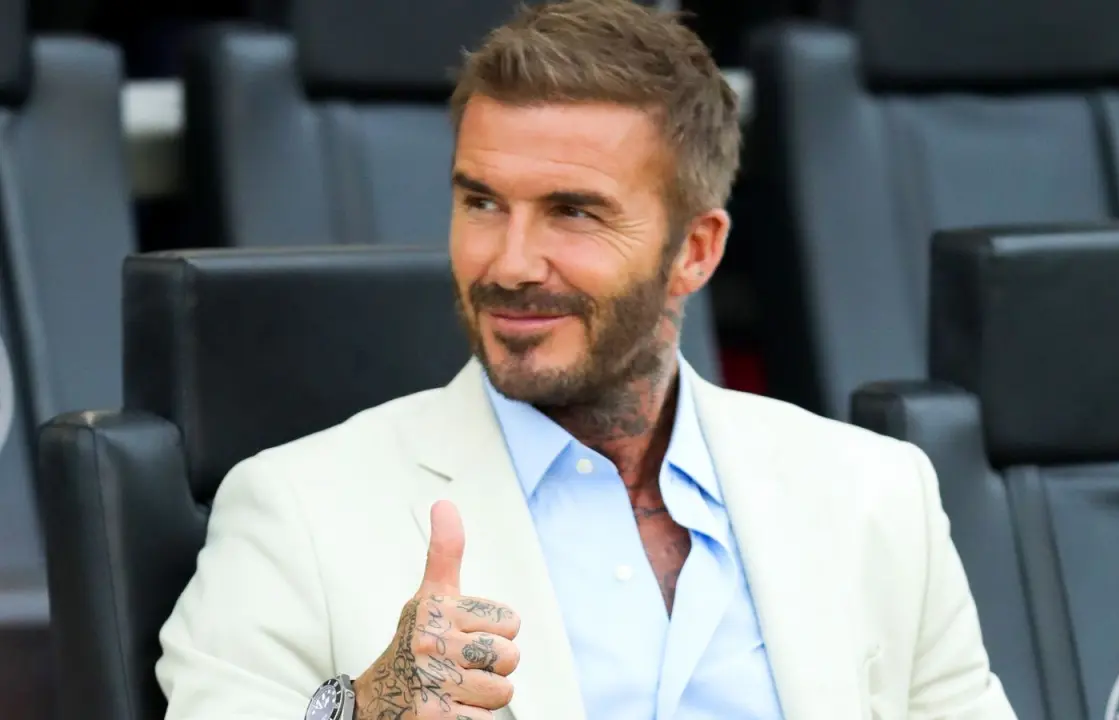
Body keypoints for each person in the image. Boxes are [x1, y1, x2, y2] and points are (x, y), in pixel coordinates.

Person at [155, 1, 1015, 718]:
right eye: (482, 203)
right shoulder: (298, 509)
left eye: (573, 212)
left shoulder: (876, 492)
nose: (509, 263)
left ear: (696, 251)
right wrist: (370, 706)